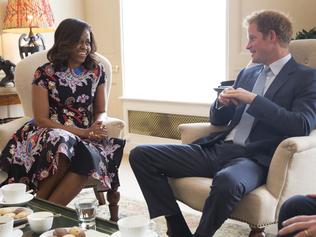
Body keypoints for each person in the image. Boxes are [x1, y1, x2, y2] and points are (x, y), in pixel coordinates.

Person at [129, 10, 316, 237]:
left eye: (252, 38)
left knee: (228, 182)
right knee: (141, 155)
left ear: (272, 36)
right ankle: (177, 228)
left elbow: (301, 125)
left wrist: (254, 100)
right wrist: (220, 103)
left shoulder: (305, 77)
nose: (247, 46)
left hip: (253, 158)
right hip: (217, 149)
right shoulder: (248, 73)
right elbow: (218, 120)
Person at [0, 18, 125, 206]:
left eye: (88, 42)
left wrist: (98, 123)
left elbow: (101, 109)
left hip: (84, 135)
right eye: (79, 41)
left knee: (89, 158)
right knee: (63, 141)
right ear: (65, 42)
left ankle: (43, 212)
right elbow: (41, 119)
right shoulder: (44, 73)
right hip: (49, 133)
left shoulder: (96, 71)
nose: (85, 47)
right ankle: (39, 211)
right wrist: (83, 132)